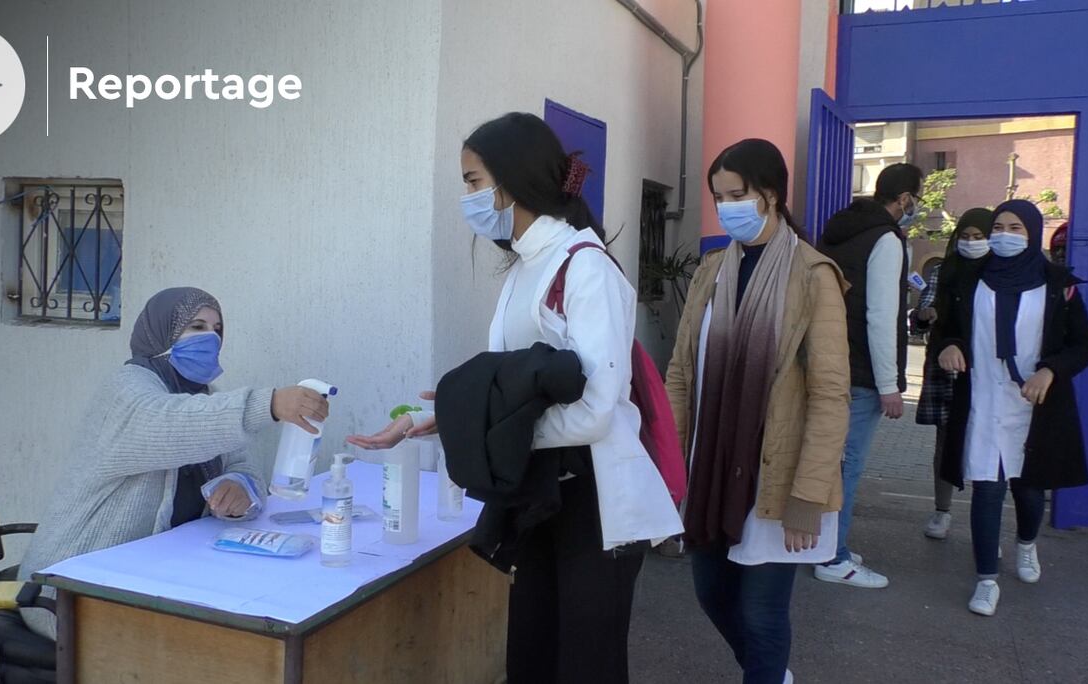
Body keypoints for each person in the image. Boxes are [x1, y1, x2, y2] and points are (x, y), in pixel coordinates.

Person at [349, 112, 681, 684]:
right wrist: (436, 417)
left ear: (510, 181)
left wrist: (478, 429)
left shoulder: (586, 267)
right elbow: (513, 390)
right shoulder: (524, 269)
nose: (468, 197)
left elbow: (596, 410)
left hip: (594, 501)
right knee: (531, 657)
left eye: (474, 181)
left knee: (586, 666)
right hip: (542, 492)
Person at [18, 287, 330, 638]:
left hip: (152, 577)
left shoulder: (204, 394)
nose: (210, 337)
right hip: (69, 591)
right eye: (197, 327)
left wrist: (239, 487)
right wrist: (268, 405)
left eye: (217, 329)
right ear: (161, 332)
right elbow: (174, 425)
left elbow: (244, 463)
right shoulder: (126, 390)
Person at [665, 139, 848, 684]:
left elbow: (830, 392)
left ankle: (766, 675)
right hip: (709, 471)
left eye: (737, 195)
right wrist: (673, 469)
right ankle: (772, 675)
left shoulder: (814, 276)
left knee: (762, 614)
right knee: (711, 594)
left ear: (770, 195)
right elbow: (680, 373)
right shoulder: (712, 270)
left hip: (779, 474)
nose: (726, 208)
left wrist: (809, 495)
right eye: (719, 197)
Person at [938, 200, 1088, 616]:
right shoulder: (972, 280)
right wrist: (949, 346)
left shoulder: (1058, 285)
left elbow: (1083, 345)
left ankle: (1026, 545)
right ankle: (986, 578)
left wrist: (1051, 371)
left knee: (1028, 489)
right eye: (999, 226)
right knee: (987, 488)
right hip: (984, 400)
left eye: (1016, 228)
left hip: (1034, 404)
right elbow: (946, 329)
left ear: (1033, 234)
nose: (1004, 235)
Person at [814, 162, 923, 589]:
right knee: (848, 465)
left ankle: (824, 545)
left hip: (826, 361)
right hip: (859, 372)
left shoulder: (839, 231)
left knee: (826, 461)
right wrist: (889, 384)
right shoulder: (886, 240)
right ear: (905, 199)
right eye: (915, 197)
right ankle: (834, 558)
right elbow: (881, 316)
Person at [913, 209, 994, 540]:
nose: (971, 243)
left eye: (979, 237)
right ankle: (941, 510)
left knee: (986, 443)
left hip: (988, 368)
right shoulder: (944, 271)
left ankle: (985, 519)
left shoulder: (1000, 273)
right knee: (947, 441)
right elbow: (921, 315)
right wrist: (925, 314)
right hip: (946, 365)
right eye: (965, 236)